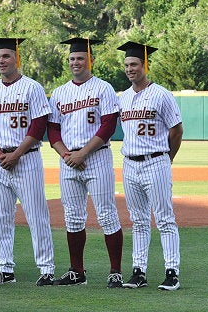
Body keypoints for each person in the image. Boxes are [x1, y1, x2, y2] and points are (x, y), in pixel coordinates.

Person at [47, 37, 124, 288]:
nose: (75, 62)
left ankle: (115, 271)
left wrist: (83, 153)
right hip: (68, 160)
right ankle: (76, 272)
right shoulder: (59, 92)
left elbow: (109, 125)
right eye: (72, 59)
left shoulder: (104, 88)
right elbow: (53, 130)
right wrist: (67, 155)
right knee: (73, 217)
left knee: (107, 214)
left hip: (97, 157)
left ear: (90, 60)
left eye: (80, 58)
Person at [0, 38, 56, 286]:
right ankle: (5, 268)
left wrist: (15, 155)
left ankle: (46, 268)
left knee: (37, 215)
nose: (1, 61)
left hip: (27, 159)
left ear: (17, 58)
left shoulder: (32, 87)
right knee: (1, 217)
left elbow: (39, 125)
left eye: (6, 56)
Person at [116, 41, 183, 291]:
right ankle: (138, 271)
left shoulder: (162, 94)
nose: (130, 69)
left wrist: (168, 158)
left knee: (165, 219)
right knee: (138, 221)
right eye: (126, 65)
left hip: (156, 160)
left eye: (134, 64)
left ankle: (172, 272)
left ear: (145, 66)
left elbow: (177, 131)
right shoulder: (123, 98)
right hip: (130, 163)